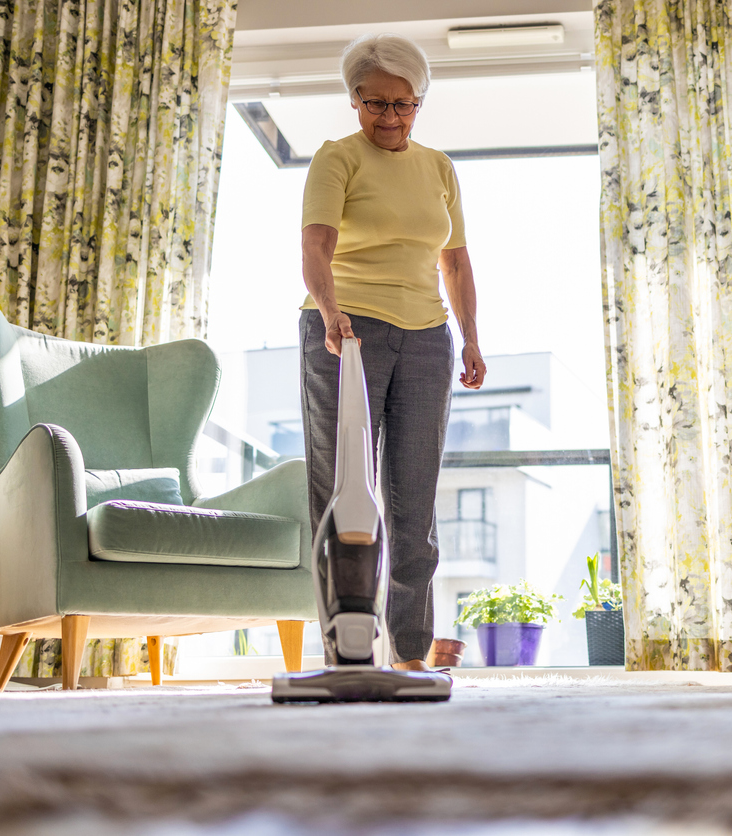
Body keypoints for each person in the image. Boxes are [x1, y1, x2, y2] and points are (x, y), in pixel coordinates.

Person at [299, 33, 486, 672]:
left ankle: (409, 653)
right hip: (347, 330)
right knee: (342, 489)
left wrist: (471, 336)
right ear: (355, 101)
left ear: (418, 103)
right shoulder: (336, 158)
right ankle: (344, 648)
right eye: (376, 104)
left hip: (427, 337)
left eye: (404, 104)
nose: (391, 117)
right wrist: (330, 314)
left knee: (415, 497)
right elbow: (316, 249)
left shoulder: (438, 167)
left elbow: (455, 261)